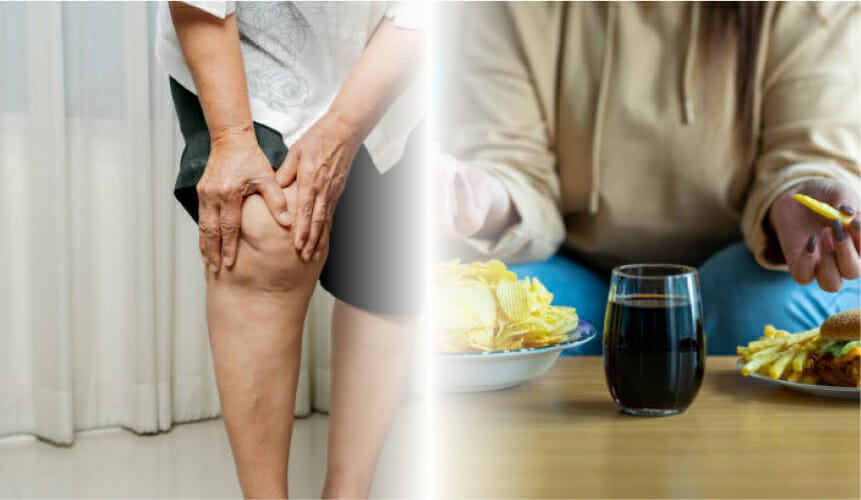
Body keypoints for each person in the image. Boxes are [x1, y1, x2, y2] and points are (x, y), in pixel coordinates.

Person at [436, 2, 860, 355]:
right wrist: (479, 198)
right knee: (481, 315)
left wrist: (799, 197)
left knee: (757, 307)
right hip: (575, 263)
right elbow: (510, 158)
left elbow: (808, 149)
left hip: (742, 263)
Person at [156, 2, 424, 497]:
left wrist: (343, 131)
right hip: (250, 45)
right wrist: (233, 139)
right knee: (265, 231)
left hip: (393, 44)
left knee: (392, 247)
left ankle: (348, 492)